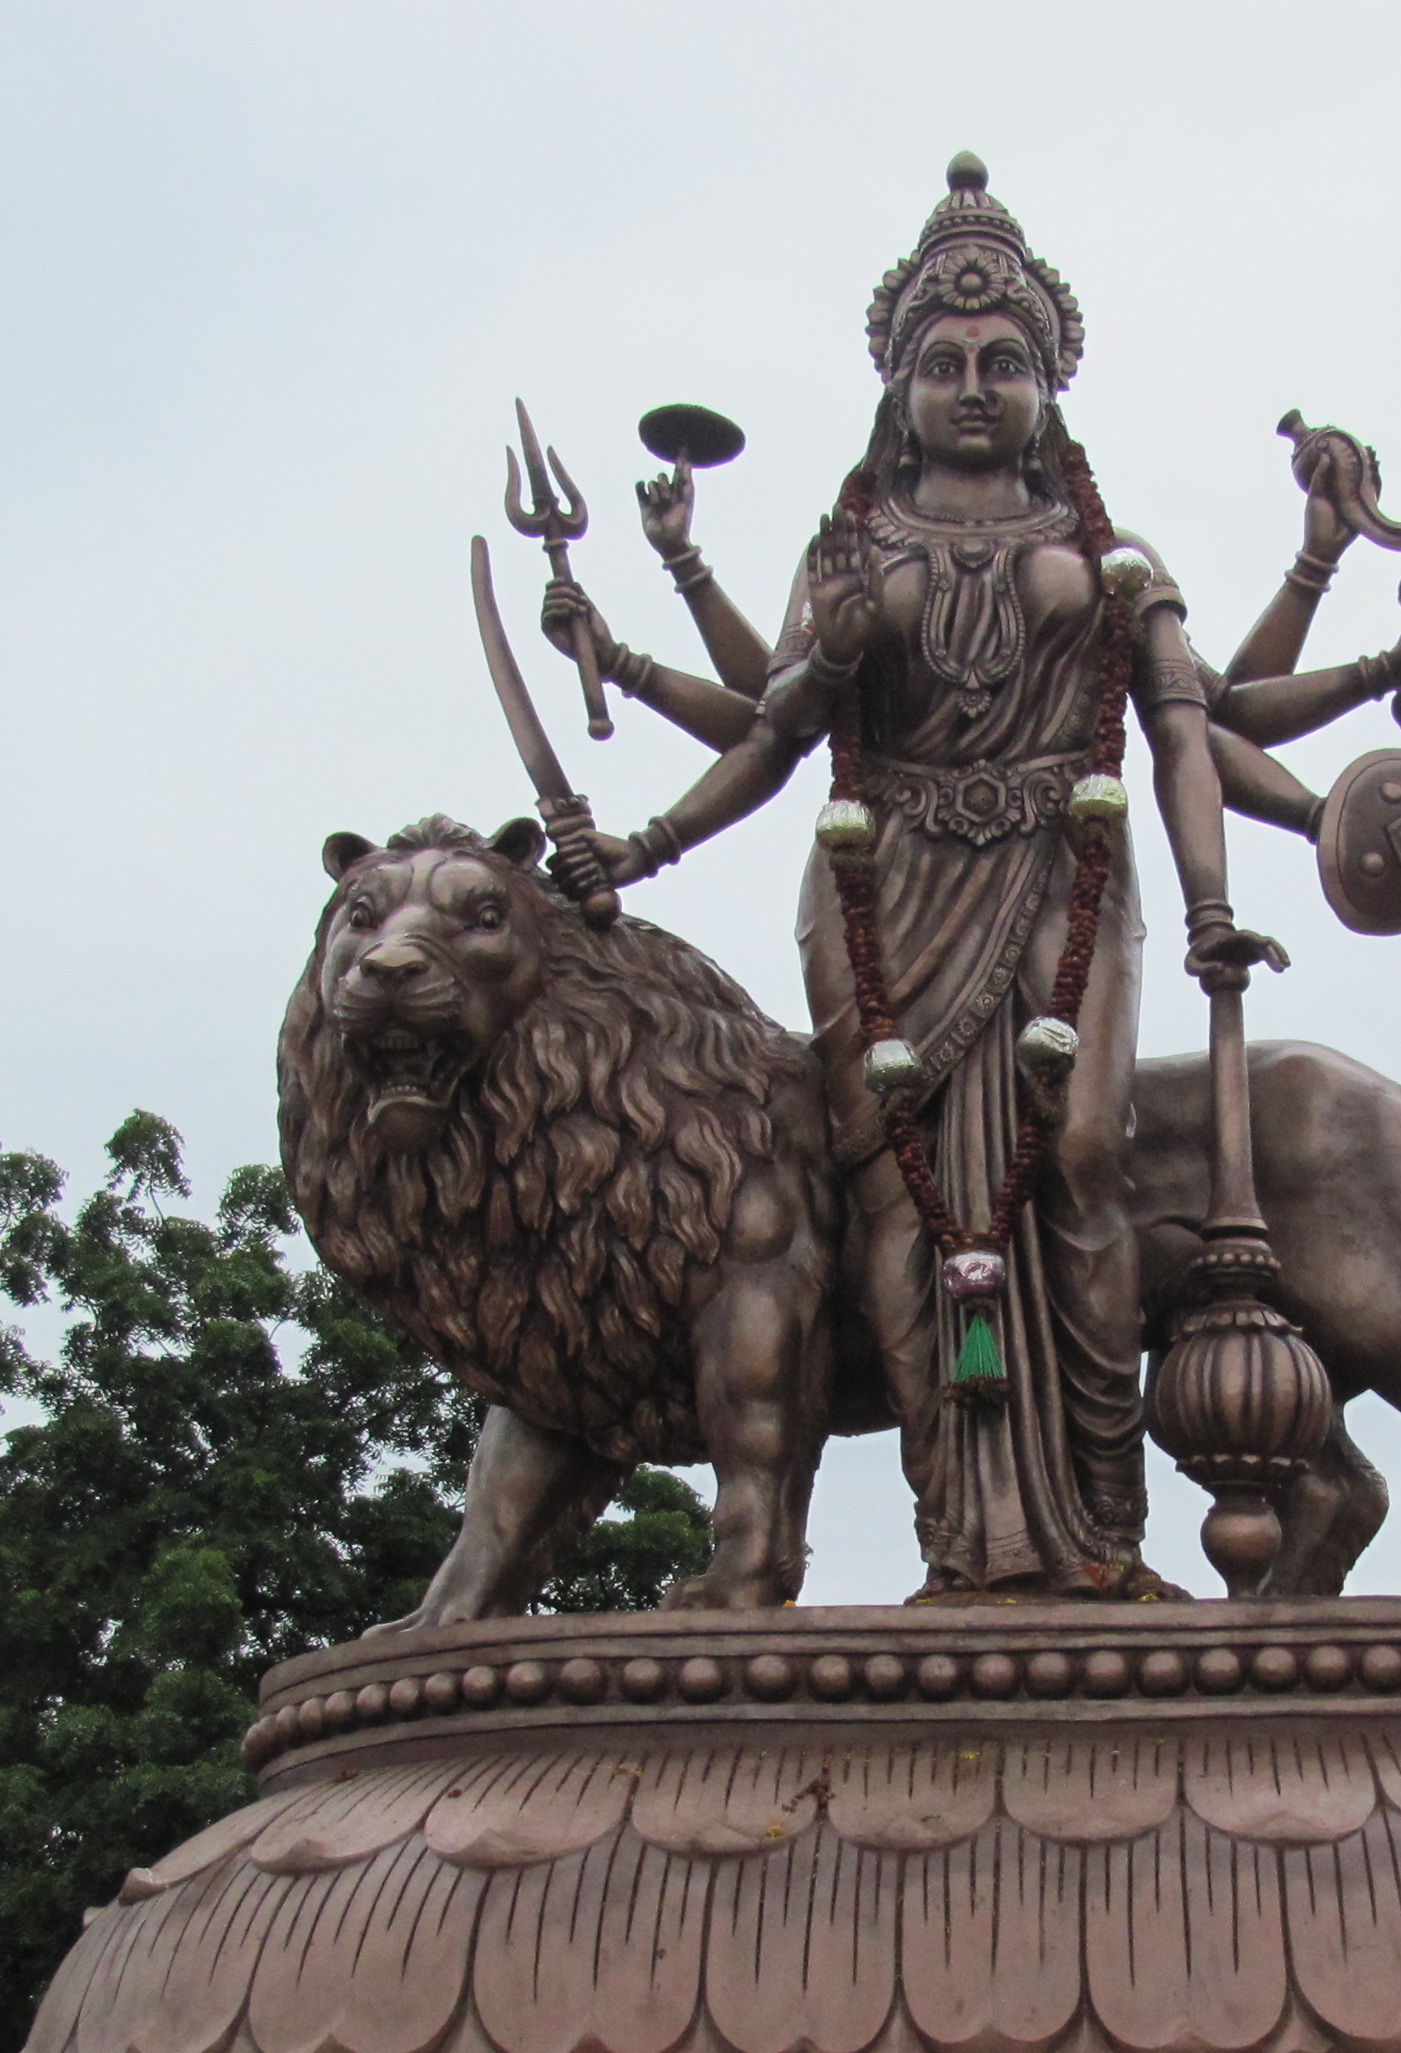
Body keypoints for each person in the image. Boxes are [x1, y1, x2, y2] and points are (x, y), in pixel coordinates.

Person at [552, 155, 1290, 1599]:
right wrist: (645, 846)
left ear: (1048, 388)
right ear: (895, 385)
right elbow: (775, 737)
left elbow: (1187, 738)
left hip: (1065, 872)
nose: (971, 386)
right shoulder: (849, 557)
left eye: (1003, 362)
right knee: (903, 1194)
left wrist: (1211, 905)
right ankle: (964, 1540)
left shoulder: (1115, 557)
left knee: (1080, 1163)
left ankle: (1103, 1534)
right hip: (882, 892)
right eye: (941, 362)